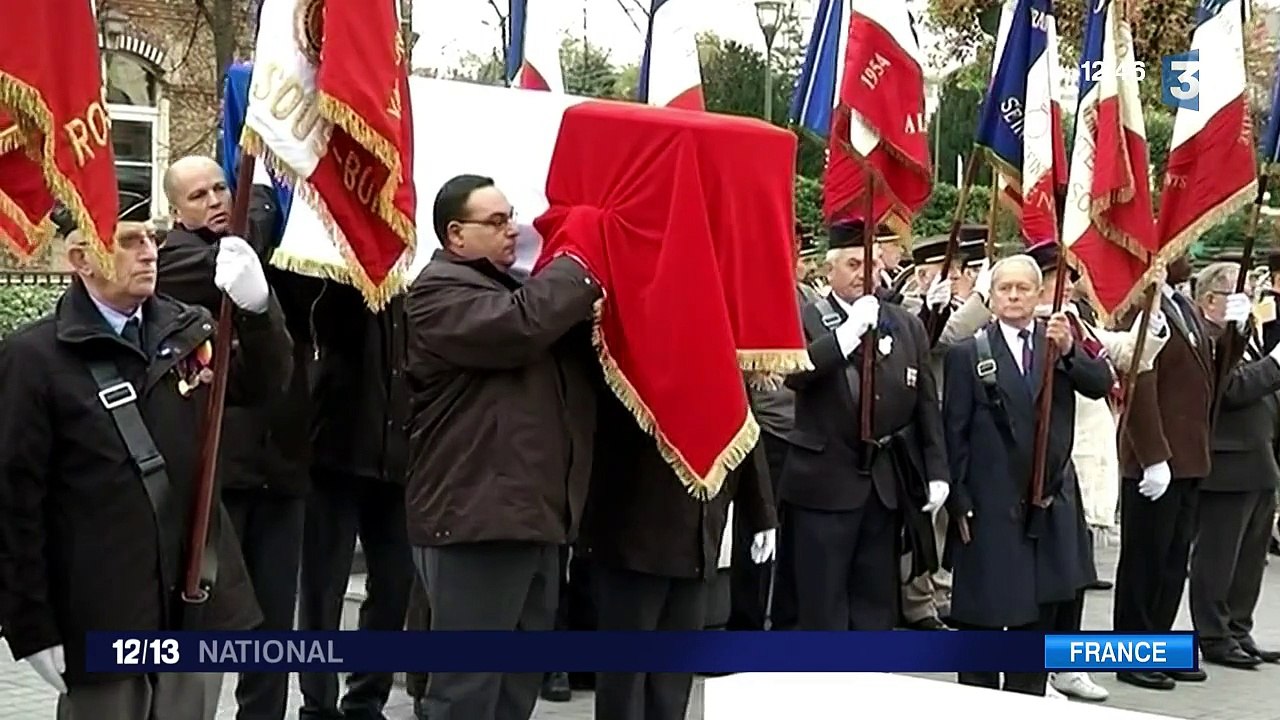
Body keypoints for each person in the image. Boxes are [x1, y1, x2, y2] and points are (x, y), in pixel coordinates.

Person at [0, 219, 290, 719]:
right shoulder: (35, 357)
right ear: (81, 260)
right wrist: (30, 623)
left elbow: (264, 387)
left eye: (151, 239)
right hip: (103, 603)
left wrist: (259, 311)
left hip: (194, 594)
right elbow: (14, 500)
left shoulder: (190, 327)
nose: (149, 252)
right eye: (128, 242)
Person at [403, 174, 602, 720]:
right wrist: (580, 256)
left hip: (529, 517)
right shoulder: (437, 293)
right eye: (495, 221)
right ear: (455, 235)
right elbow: (520, 329)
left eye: (510, 216)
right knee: (465, 688)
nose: (512, 229)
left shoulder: (507, 288)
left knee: (517, 681)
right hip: (475, 519)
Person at [155, 155, 311, 720]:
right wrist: (263, 193)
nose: (218, 200)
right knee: (214, 613)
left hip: (282, 462)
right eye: (199, 195)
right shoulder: (176, 260)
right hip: (222, 471)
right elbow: (228, 269)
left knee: (272, 620)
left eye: (223, 186)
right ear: (175, 209)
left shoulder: (255, 255)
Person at [942, 254, 1113, 697]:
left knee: (1039, 624)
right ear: (992, 296)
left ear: (1040, 294)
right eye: (1005, 288)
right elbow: (954, 432)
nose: (1014, 296)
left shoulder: (1058, 340)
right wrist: (958, 500)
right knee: (981, 622)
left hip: (1048, 503)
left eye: (1023, 288)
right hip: (990, 505)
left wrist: (1072, 351)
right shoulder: (969, 353)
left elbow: (1101, 382)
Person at [780, 220, 950, 631]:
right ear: (830, 269)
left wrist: (937, 471)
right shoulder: (805, 317)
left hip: (884, 485)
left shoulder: (904, 323)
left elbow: (924, 401)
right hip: (824, 484)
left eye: (871, 264)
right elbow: (794, 371)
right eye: (853, 264)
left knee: (875, 603)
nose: (863, 273)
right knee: (822, 604)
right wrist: (846, 337)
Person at [579, 386, 777, 720]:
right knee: (625, 678)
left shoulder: (717, 348)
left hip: (698, 533)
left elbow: (741, 423)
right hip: (634, 529)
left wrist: (761, 511)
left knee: (672, 681)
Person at [1115, 253, 1249, 691]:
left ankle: (1158, 645)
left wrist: (1235, 328)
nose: (1187, 257)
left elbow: (1215, 376)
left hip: (1188, 457)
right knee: (1144, 564)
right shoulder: (1143, 304)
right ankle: (1129, 652)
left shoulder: (1183, 305)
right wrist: (1152, 455)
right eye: (1178, 248)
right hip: (1156, 460)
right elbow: (1139, 379)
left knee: (1172, 564)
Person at [1187, 262, 1280, 668]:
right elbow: (1233, 388)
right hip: (1225, 464)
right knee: (1217, 557)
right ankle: (1213, 634)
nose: (1251, 304)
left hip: (1258, 458)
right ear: (1210, 300)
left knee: (1249, 560)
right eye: (1238, 296)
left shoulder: (1245, 336)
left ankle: (1239, 629)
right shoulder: (1209, 340)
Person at [731, 221, 820, 631]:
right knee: (755, 531)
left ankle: (786, 624)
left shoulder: (809, 300)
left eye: (795, 242)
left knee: (795, 540)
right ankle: (745, 624)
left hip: (804, 434)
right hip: (761, 431)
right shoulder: (745, 294)